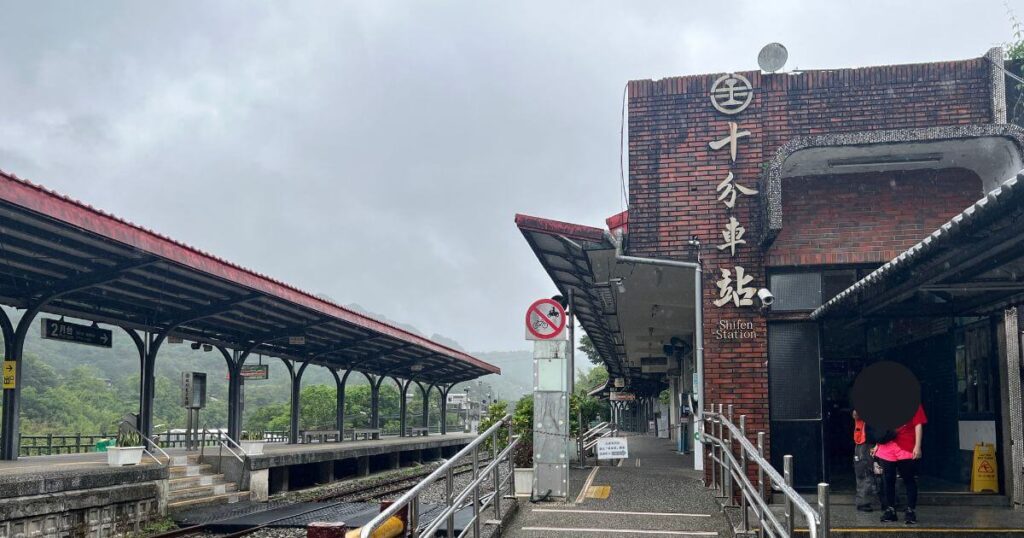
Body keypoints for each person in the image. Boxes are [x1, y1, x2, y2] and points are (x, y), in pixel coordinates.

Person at [872, 404, 926, 525]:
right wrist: (877, 444)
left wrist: (917, 446)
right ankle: (890, 510)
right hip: (887, 446)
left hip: (906, 446)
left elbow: (918, 424)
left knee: (909, 479)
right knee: (888, 480)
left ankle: (910, 510)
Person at [852, 409, 879, 512]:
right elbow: (855, 414)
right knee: (864, 471)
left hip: (883, 440)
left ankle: (887, 502)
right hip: (866, 442)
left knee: (881, 471)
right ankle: (863, 502)